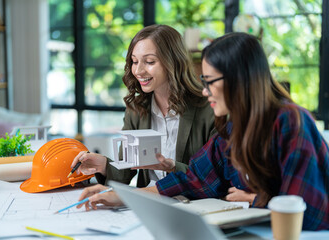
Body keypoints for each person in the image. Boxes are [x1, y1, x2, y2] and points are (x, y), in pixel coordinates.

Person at [77, 32, 329, 231]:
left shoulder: (291, 121)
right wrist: (124, 196)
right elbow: (194, 179)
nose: (205, 90)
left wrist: (256, 200)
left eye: (210, 82)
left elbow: (308, 212)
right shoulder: (233, 128)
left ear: (238, 79)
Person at [71, 24, 217, 188]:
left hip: (192, 203)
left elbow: (213, 177)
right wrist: (103, 164)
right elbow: (125, 173)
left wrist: (173, 167)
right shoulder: (136, 109)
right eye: (134, 61)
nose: (138, 70)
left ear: (174, 62)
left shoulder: (209, 108)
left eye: (149, 61)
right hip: (148, 202)